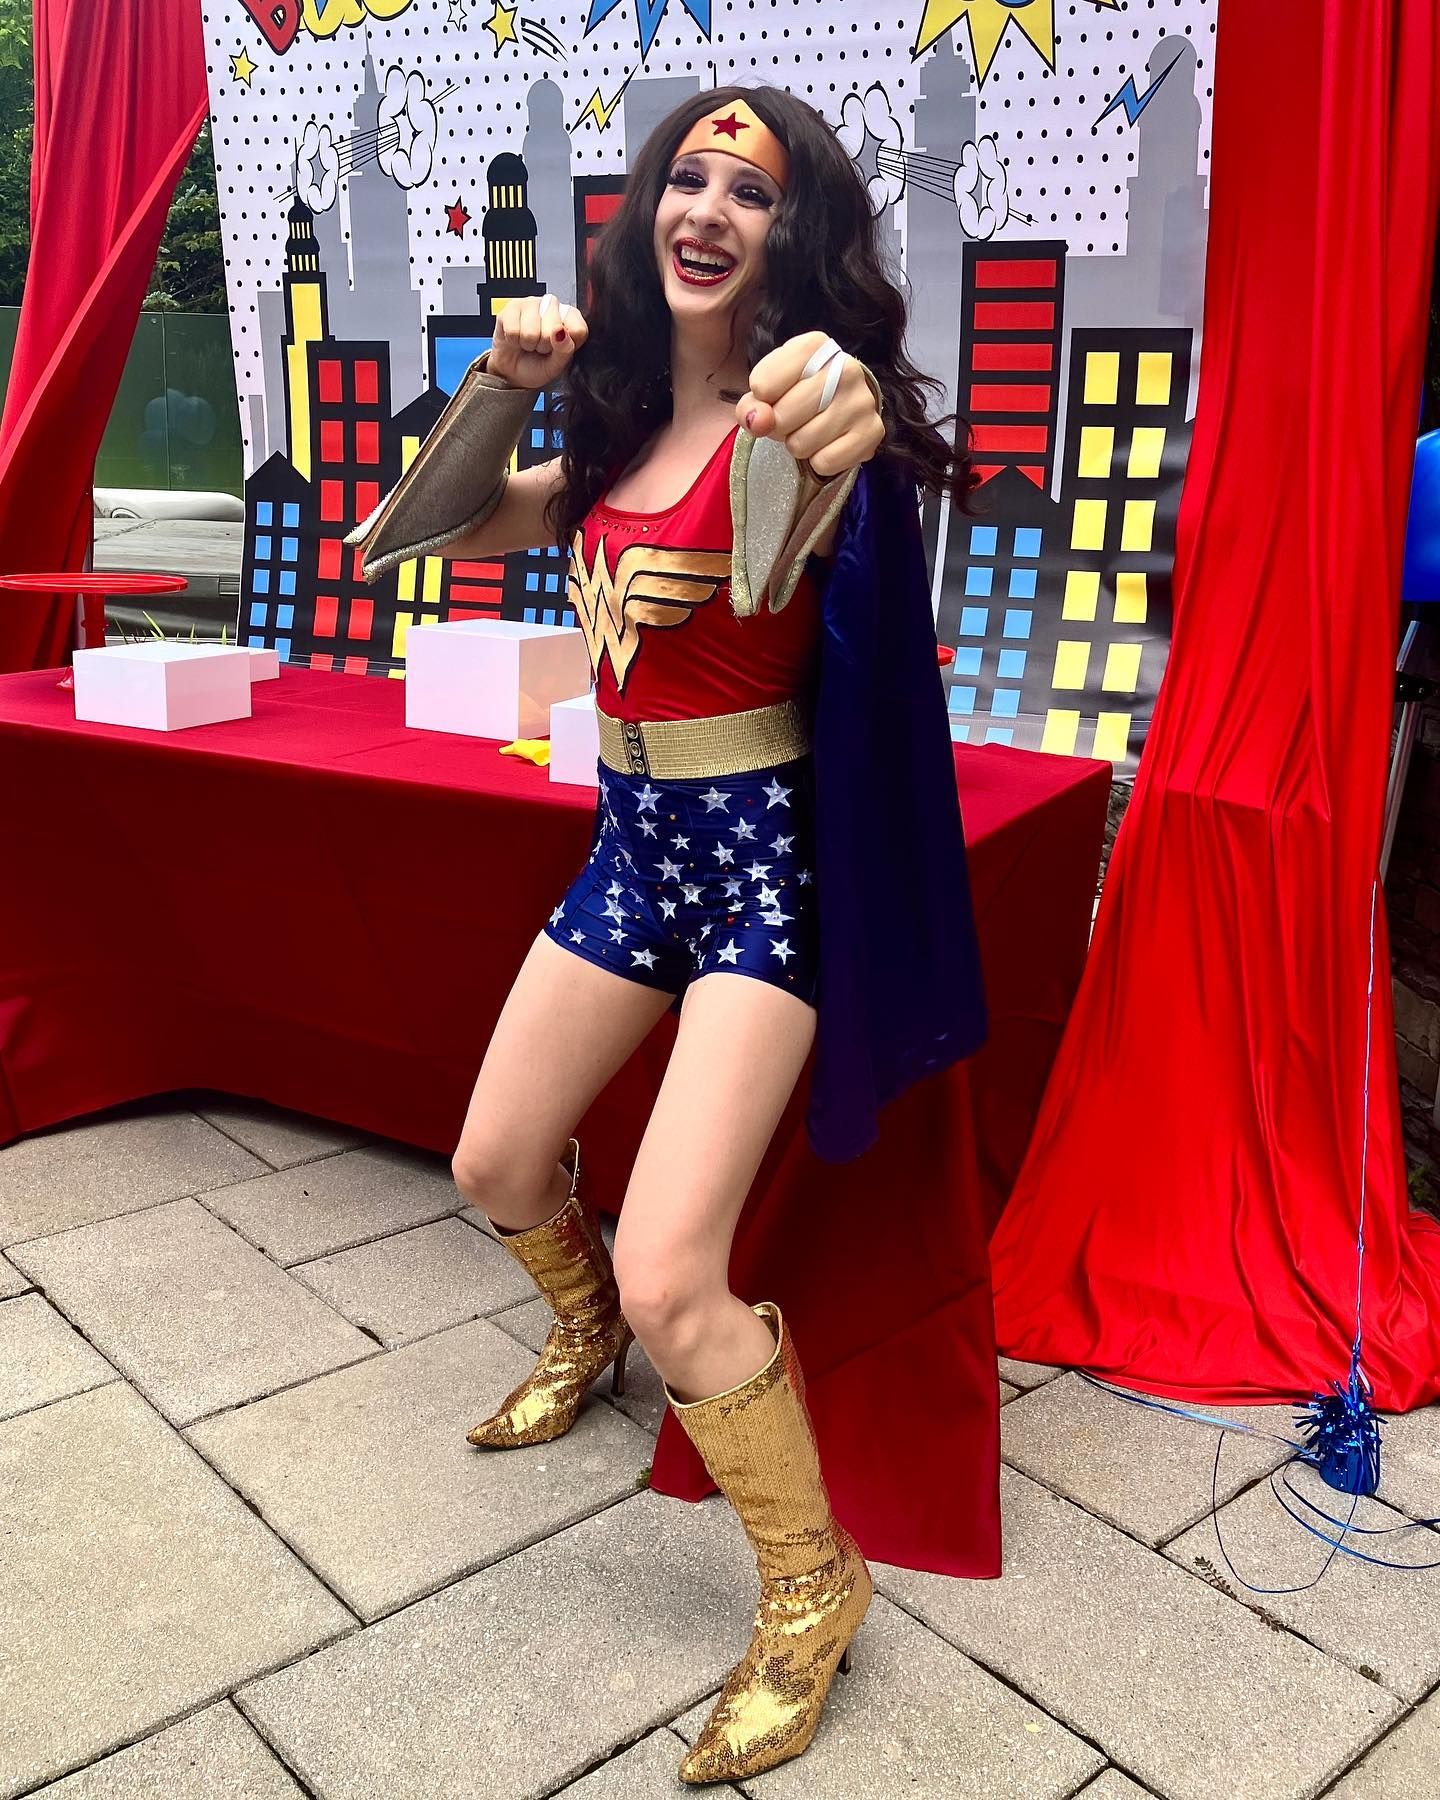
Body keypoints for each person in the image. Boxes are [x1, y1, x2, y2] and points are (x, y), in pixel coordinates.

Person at [350, 84, 984, 1786]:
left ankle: (810, 1581)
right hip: (634, 849)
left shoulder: (801, 427)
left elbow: (798, 538)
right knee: (492, 1162)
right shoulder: (615, 440)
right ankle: (582, 1330)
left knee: (677, 1263)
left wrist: (829, 400)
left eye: (753, 190)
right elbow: (410, 534)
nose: (709, 206)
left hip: (765, 869)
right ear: (642, 221)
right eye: (684, 179)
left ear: (797, 236)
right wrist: (505, 382)